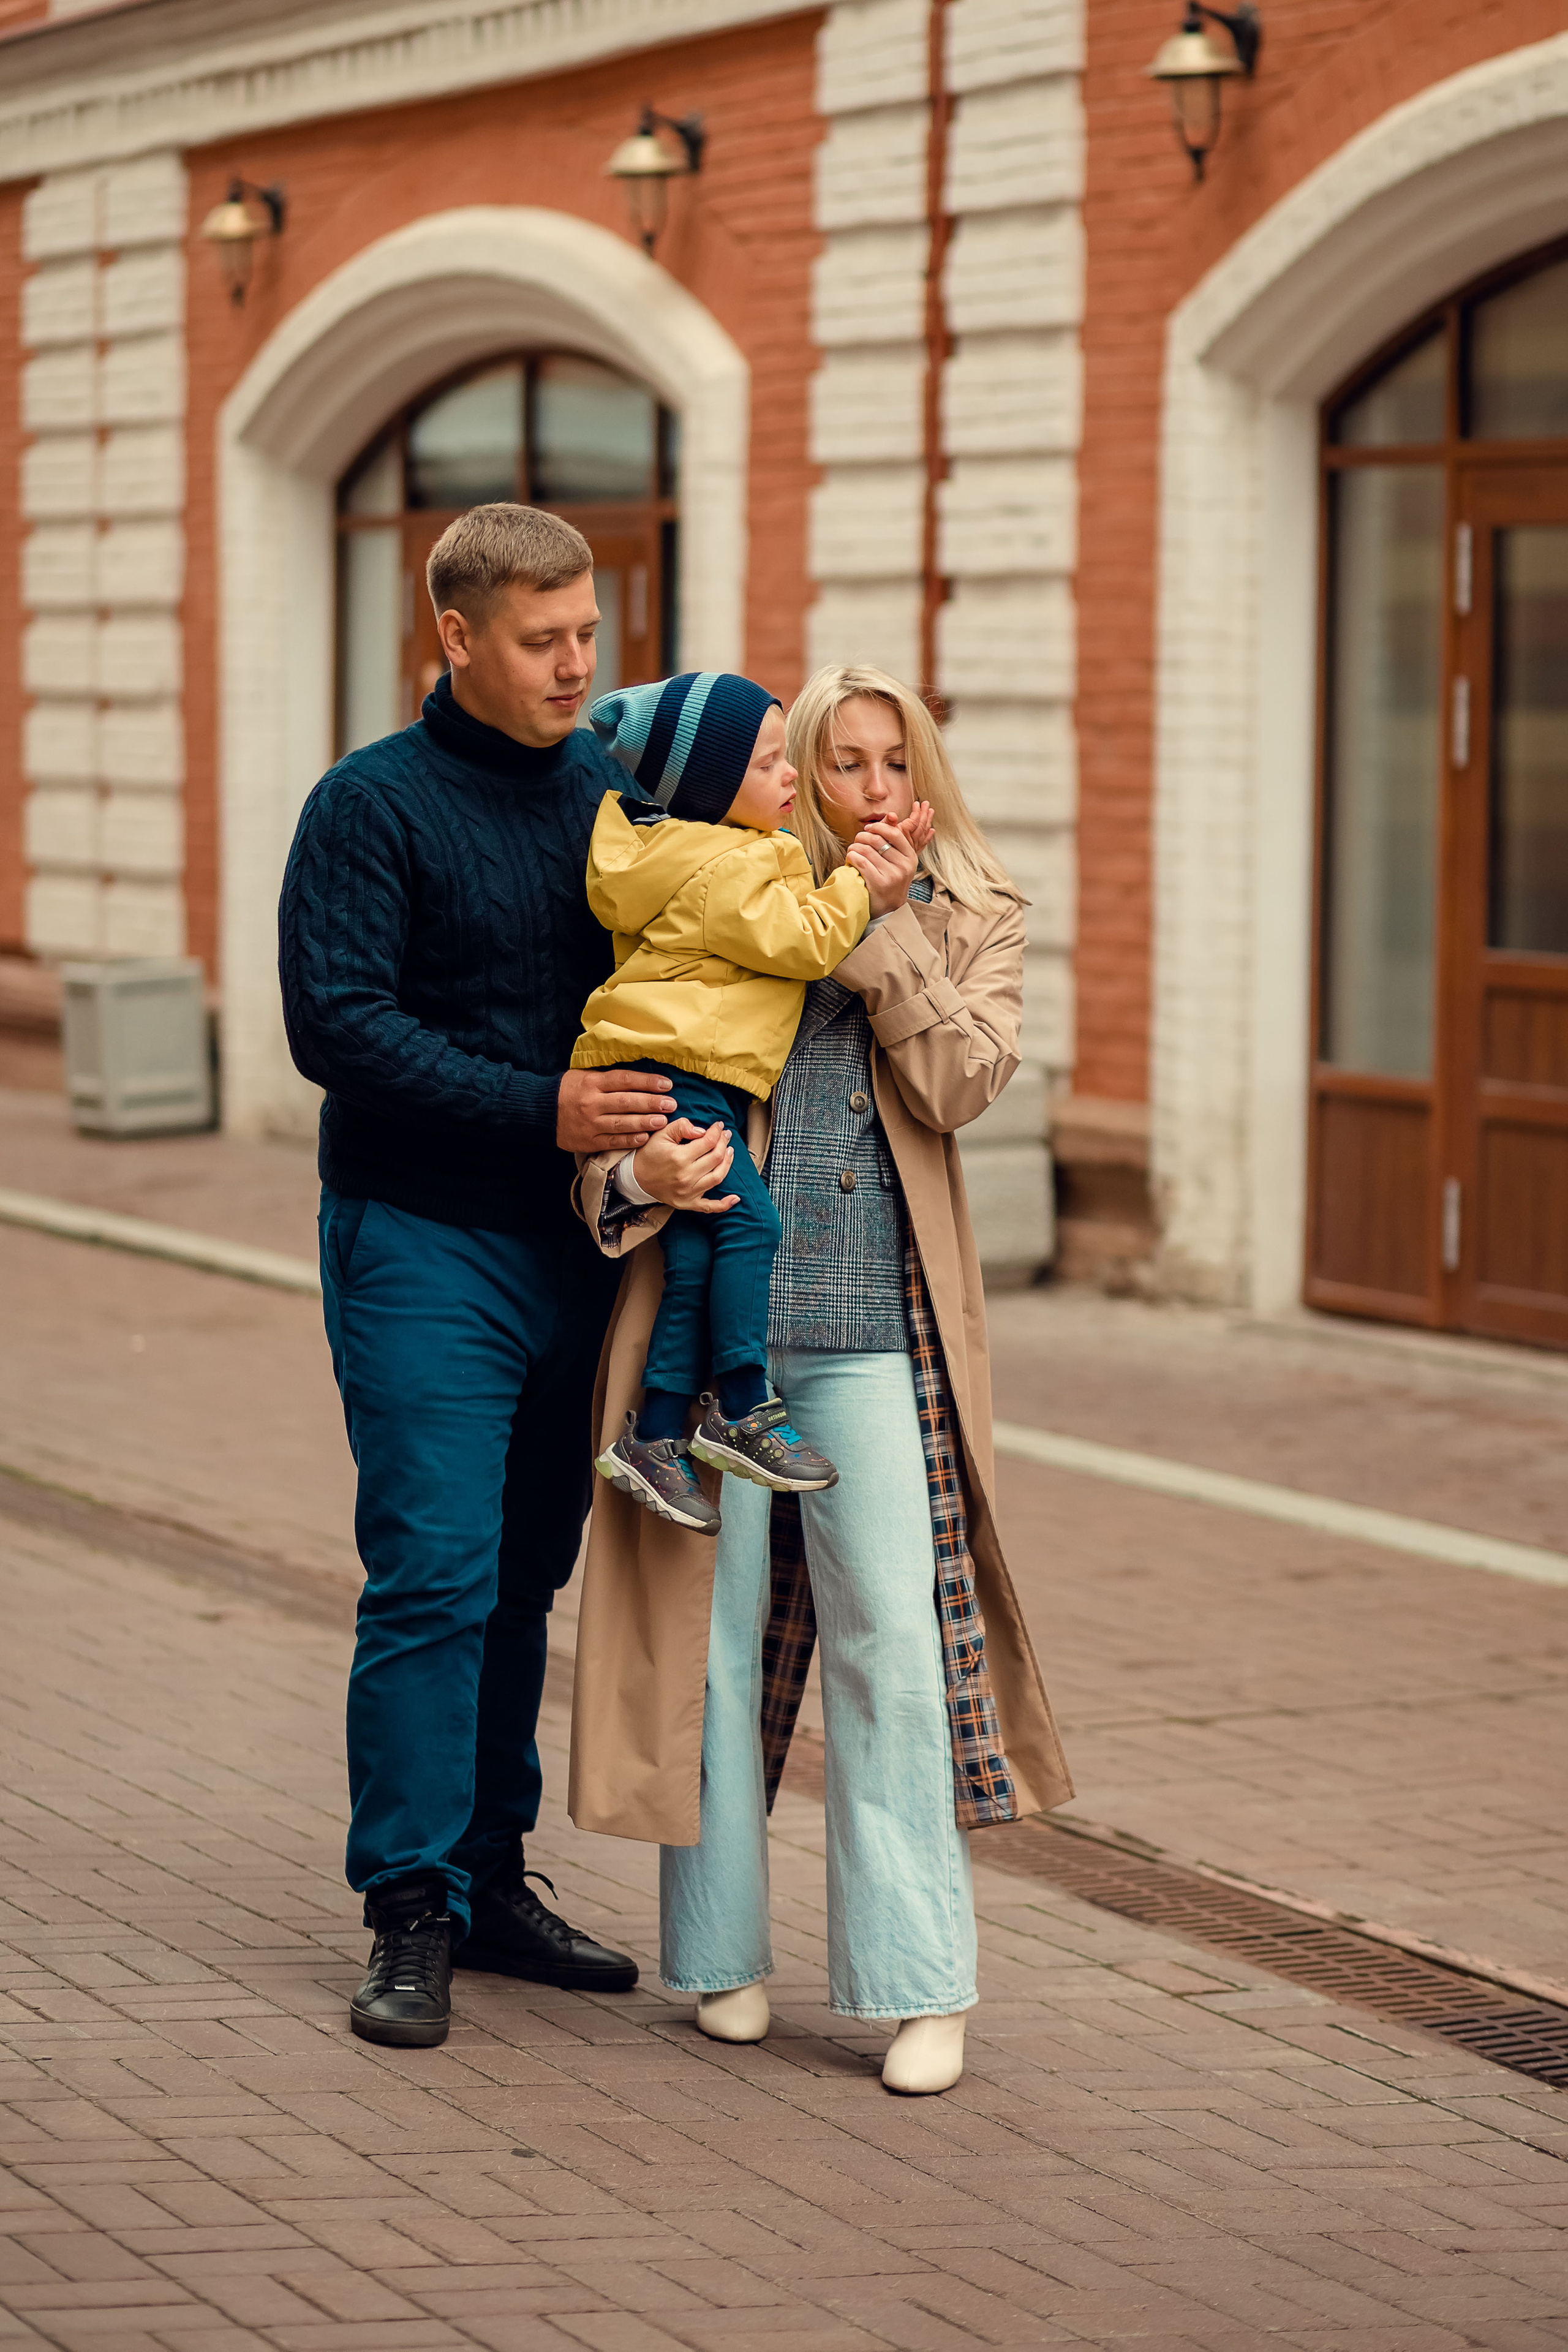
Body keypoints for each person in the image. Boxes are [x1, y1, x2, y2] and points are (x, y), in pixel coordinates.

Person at [567, 662, 1074, 2097]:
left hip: (865, 1341)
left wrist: (880, 932)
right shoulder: (720, 892)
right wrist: (628, 1179)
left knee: (890, 1653)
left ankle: (917, 1984)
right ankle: (720, 1959)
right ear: (801, 769)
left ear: (921, 781)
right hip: (705, 1332)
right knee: (707, 1653)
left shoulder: (974, 916)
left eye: (888, 764)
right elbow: (615, 1087)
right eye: (836, 763)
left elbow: (962, 1086)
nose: (867, 789)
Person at [278, 503, 674, 2051]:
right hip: (421, 1237)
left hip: (585, 1244)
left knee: (528, 1571)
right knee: (434, 1569)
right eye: (542, 640)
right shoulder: (367, 807)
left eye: (589, 632)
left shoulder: (610, 790)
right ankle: (408, 1909)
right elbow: (338, 1025)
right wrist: (539, 1107)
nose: (578, 665)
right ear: (455, 637)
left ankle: (491, 1875)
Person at [576, 671, 884, 1532]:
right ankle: (744, 1406)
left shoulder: (682, 853)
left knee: (701, 1256)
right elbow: (813, 941)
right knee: (753, 1226)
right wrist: (862, 879)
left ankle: (658, 1436)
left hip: (676, 1064)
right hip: (681, 1072)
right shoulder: (731, 866)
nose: (790, 776)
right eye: (767, 763)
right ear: (714, 789)